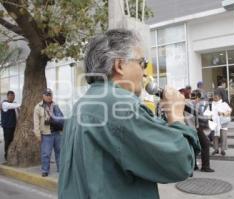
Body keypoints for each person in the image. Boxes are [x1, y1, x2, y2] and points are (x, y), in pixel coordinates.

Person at [58, 29, 200, 199]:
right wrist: (176, 116)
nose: (145, 72)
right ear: (119, 66)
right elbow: (181, 163)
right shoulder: (120, 106)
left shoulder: (81, 105)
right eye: (142, 63)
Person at [33, 88, 64, 177]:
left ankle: (60, 168)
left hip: (57, 133)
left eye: (50, 95)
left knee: (60, 152)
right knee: (46, 153)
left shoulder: (56, 105)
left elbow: (61, 117)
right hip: (46, 134)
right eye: (47, 95)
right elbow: (36, 122)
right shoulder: (38, 107)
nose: (49, 97)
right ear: (43, 96)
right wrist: (38, 134)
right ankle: (45, 170)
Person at [184, 90, 214, 172]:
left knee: (195, 146)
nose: (200, 101)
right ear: (197, 97)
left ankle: (195, 166)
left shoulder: (190, 103)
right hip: (193, 128)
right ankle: (204, 166)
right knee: (205, 144)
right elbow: (198, 116)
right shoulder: (191, 104)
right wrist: (210, 117)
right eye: (200, 99)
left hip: (193, 127)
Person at [0, 91, 20, 161]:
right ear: (7, 96)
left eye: (13, 96)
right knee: (8, 141)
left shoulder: (14, 104)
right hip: (7, 127)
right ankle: (7, 156)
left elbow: (17, 114)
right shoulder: (5, 103)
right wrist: (20, 104)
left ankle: (12, 155)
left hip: (14, 126)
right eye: (11, 96)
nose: (12, 97)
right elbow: (12, 106)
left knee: (14, 141)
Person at [211, 92, 232, 156]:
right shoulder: (212, 104)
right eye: (214, 97)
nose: (214, 98)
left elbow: (229, 111)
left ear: (220, 97)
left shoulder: (224, 104)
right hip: (214, 122)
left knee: (223, 136)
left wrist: (222, 113)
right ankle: (216, 149)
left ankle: (223, 150)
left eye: (216, 97)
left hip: (223, 122)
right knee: (215, 136)